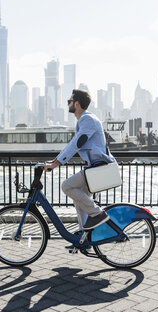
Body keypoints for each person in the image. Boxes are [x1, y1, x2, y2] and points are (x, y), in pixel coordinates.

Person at [44, 89, 115, 236]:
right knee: (80, 200)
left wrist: (55, 164)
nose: (68, 104)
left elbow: (76, 143)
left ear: (76, 104)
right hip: (95, 169)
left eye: (69, 101)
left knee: (67, 186)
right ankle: (84, 237)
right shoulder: (85, 120)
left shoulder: (87, 119)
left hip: (99, 168)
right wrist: (54, 161)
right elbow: (75, 144)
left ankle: (97, 214)